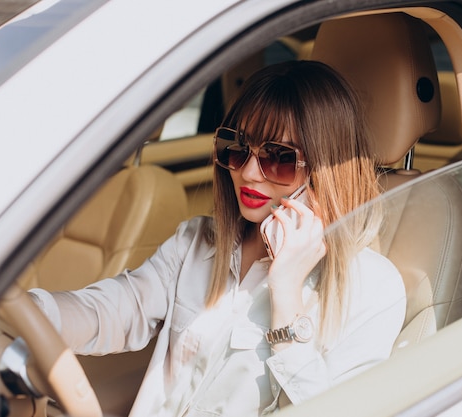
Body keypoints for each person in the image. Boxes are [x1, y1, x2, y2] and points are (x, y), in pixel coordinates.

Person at [29, 60, 406, 416]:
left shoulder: (372, 287)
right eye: (237, 149)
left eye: (278, 157)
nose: (249, 173)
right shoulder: (196, 242)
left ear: (324, 170)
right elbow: (112, 311)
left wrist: (287, 294)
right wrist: (23, 315)